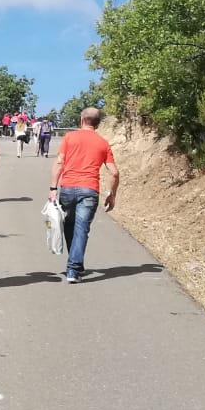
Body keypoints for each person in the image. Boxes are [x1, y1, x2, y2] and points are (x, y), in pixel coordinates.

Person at [47, 106, 120, 284]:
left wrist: (53, 188)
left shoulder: (69, 137)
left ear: (81, 120)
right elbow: (114, 172)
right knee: (81, 229)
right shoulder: (102, 143)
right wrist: (112, 195)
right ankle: (74, 267)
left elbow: (59, 163)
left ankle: (74, 265)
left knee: (71, 227)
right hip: (89, 190)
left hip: (68, 188)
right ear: (98, 124)